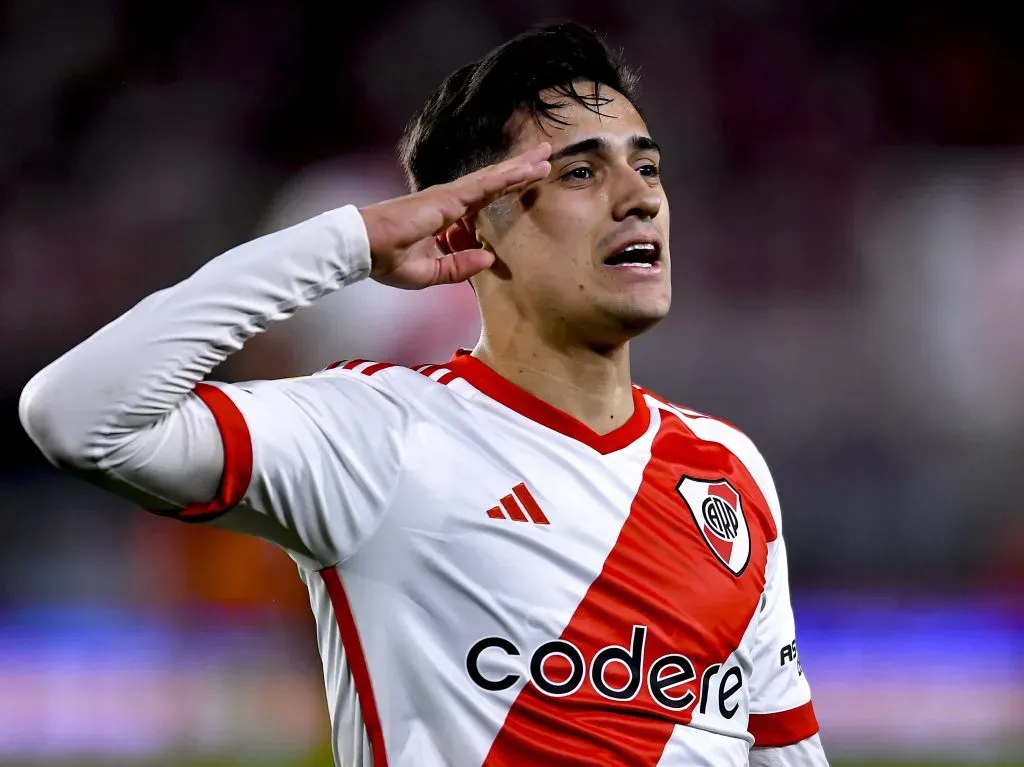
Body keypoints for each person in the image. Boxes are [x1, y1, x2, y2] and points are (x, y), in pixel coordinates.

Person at [19, 21, 828, 767]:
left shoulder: (729, 467)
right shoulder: (378, 434)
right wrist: (350, 241)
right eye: (582, 171)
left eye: (646, 165)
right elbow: (76, 413)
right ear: (470, 226)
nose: (640, 195)